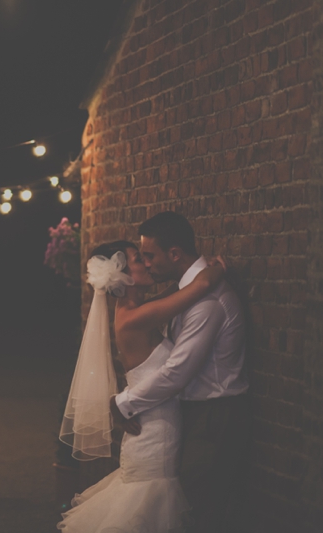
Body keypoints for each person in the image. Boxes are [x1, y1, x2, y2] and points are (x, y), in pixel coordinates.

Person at [57, 237, 227, 532]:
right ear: (123, 275)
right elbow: (200, 286)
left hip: (152, 425)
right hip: (152, 436)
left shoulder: (137, 310)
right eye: (139, 260)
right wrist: (217, 268)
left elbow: (177, 290)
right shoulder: (136, 318)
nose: (147, 264)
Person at [111, 211, 250, 533]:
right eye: (141, 258)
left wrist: (124, 402)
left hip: (214, 416)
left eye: (149, 255)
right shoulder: (188, 292)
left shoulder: (206, 301)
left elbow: (177, 372)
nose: (147, 264)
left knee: (195, 508)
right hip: (193, 415)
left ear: (174, 254)